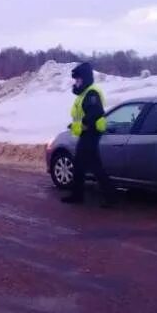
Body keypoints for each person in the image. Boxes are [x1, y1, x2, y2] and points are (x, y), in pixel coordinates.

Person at [63, 62, 116, 207]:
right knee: (81, 165)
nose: (76, 82)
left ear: (84, 79)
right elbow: (81, 114)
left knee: (95, 167)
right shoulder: (84, 93)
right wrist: (75, 125)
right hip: (85, 134)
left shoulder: (91, 93)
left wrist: (83, 125)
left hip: (91, 134)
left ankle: (110, 197)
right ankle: (78, 195)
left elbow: (94, 113)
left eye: (78, 79)